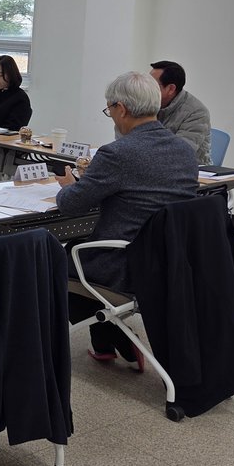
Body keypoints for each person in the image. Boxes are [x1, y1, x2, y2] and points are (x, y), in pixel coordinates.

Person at [54, 71, 199, 368]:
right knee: (76, 253)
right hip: (170, 261)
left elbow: (70, 205)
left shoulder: (118, 153)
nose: (110, 116)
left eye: (109, 109)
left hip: (124, 264)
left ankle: (114, 335)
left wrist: (69, 186)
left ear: (121, 108)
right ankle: (108, 340)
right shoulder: (184, 151)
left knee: (53, 258)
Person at [149, 60, 211, 164]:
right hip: (154, 165)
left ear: (171, 89)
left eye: (151, 85)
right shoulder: (147, 103)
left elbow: (179, 152)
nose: (145, 88)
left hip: (187, 168)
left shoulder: (197, 112)